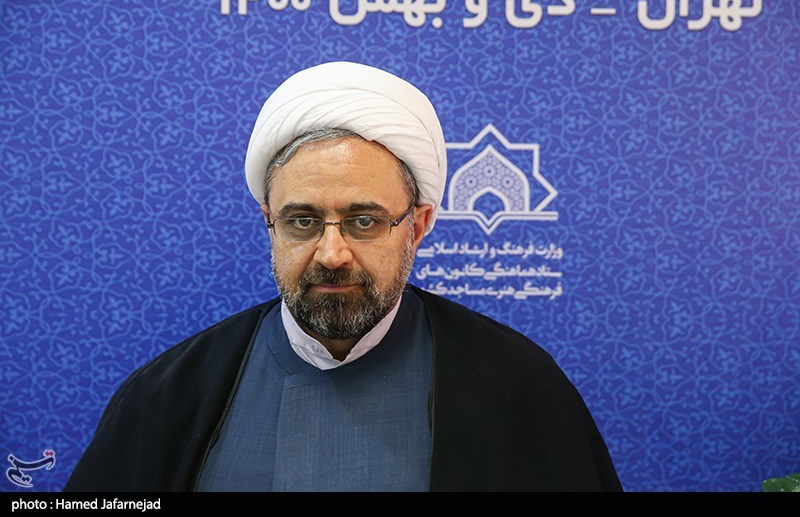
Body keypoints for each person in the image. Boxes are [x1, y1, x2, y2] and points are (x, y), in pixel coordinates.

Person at [64, 61, 622, 492]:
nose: (332, 254)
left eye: (364, 221)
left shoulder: (518, 386)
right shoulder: (170, 393)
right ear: (269, 222)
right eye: (303, 221)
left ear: (417, 226)